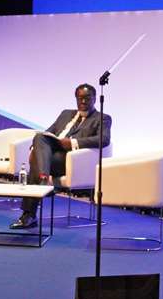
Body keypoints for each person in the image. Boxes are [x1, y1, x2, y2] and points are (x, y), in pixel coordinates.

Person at [15, 84, 111, 229]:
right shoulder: (66, 114)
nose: (83, 102)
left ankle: (29, 215)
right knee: (40, 137)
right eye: (80, 98)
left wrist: (72, 143)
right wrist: (35, 148)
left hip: (69, 160)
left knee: (36, 161)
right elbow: (48, 133)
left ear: (95, 99)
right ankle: (42, 180)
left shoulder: (102, 118)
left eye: (87, 98)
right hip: (49, 158)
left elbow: (104, 140)